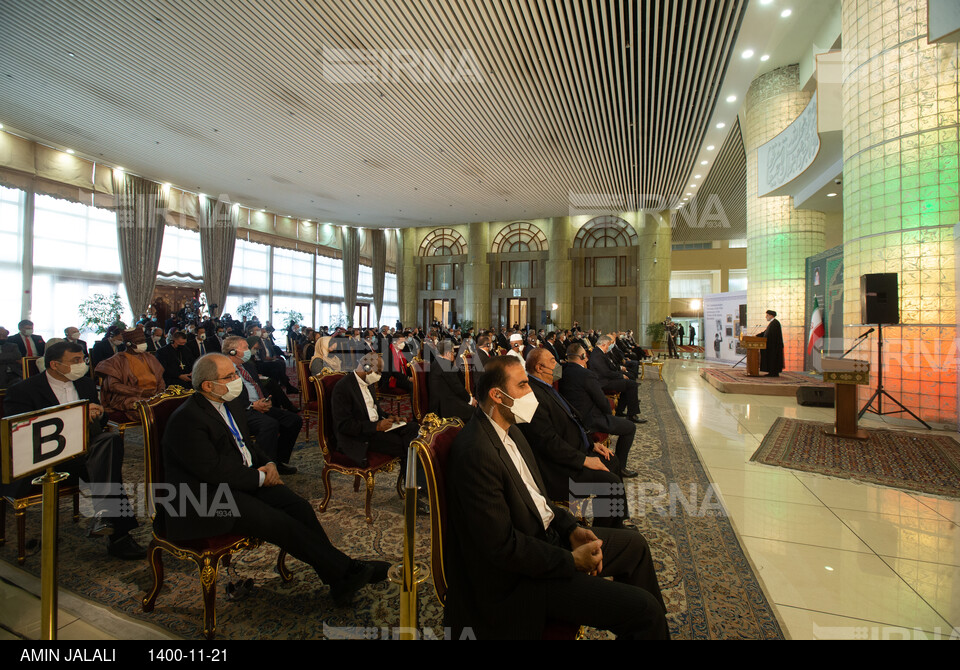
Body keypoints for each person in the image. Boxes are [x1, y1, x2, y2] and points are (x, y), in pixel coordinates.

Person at [443, 355, 669, 639]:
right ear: (497, 395)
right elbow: (501, 548)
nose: (531, 392)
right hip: (521, 581)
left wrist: (572, 528)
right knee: (644, 610)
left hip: (547, 538)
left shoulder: (511, 431)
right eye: (523, 385)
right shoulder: (477, 452)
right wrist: (571, 560)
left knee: (634, 546)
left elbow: (539, 500)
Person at [160, 353, 389, 605]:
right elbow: (212, 471)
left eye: (236, 373)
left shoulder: (230, 403)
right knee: (278, 522)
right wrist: (259, 478)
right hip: (202, 499)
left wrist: (268, 462)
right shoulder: (188, 419)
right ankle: (347, 570)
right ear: (208, 385)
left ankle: (339, 577)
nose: (238, 379)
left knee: (299, 508)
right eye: (231, 376)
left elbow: (245, 444)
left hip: (238, 483)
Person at [4, 341, 146, 558]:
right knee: (107, 462)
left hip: (85, 450)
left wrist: (98, 413)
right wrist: (75, 415)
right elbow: (21, 432)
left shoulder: (85, 385)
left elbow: (102, 420)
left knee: (108, 441)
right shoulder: (24, 390)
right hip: (46, 457)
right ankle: (118, 537)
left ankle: (107, 519)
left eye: (83, 359)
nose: (82, 364)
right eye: (76, 361)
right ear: (55, 364)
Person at [520, 349, 629, 528]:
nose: (558, 365)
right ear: (539, 367)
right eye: (553, 361)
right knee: (610, 483)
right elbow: (549, 443)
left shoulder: (547, 386)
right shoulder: (534, 395)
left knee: (613, 461)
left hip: (574, 451)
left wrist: (592, 445)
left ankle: (616, 523)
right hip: (557, 471)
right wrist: (584, 460)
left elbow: (572, 421)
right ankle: (604, 532)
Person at [222, 336, 301, 475]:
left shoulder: (248, 365)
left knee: (294, 420)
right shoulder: (223, 369)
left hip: (260, 405)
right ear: (232, 351)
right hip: (240, 410)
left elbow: (257, 385)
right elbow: (225, 396)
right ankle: (261, 466)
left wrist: (266, 399)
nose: (250, 350)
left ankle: (277, 461)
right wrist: (252, 405)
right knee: (270, 424)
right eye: (245, 347)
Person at [560, 344, 639, 478]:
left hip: (570, 418)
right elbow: (601, 400)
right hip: (589, 419)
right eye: (585, 357)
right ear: (583, 356)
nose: (586, 360)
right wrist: (608, 413)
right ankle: (620, 467)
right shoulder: (586, 374)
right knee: (630, 427)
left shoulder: (562, 371)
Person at [96, 327, 166, 421]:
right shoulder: (117, 361)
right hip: (129, 397)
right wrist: (140, 392)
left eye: (143, 341)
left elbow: (160, 378)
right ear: (128, 343)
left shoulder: (149, 357)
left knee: (168, 403)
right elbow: (113, 386)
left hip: (154, 394)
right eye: (139, 341)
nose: (143, 344)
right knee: (147, 407)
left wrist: (159, 391)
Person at [588, 336, 644, 423]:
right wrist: (621, 376)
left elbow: (610, 368)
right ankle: (632, 415)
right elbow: (605, 372)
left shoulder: (600, 352)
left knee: (629, 383)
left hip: (607, 379)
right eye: (608, 345)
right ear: (603, 344)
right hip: (603, 382)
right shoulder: (597, 355)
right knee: (631, 385)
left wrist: (620, 373)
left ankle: (619, 411)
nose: (609, 347)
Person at [428, 340, 475, 422]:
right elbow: (457, 387)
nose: (454, 355)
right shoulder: (445, 365)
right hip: (444, 407)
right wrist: (470, 400)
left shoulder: (437, 362)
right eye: (453, 353)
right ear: (447, 353)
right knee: (475, 412)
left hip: (442, 402)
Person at [759, 309, 784, 377]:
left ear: (771, 315)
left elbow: (772, 336)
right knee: (771, 359)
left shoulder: (775, 323)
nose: (766, 317)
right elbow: (765, 332)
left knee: (773, 359)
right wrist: (757, 336)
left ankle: (773, 373)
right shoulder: (772, 323)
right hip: (771, 346)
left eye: (767, 315)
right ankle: (772, 372)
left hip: (774, 347)